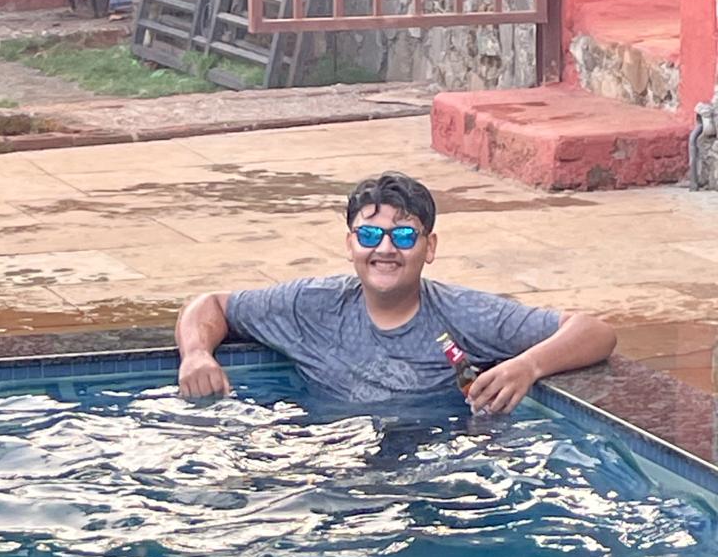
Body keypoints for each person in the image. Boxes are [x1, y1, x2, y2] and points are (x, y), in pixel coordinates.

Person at [177, 172, 616, 412]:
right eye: (370, 235)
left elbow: (594, 332)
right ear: (350, 244)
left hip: (430, 460)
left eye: (404, 236)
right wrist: (196, 355)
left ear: (430, 247)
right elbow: (210, 304)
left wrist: (527, 366)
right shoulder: (309, 306)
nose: (385, 249)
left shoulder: (461, 314)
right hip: (328, 454)